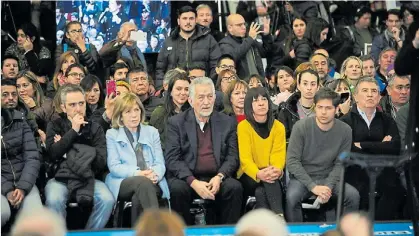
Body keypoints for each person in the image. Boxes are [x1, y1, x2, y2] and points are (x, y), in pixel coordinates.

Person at [165, 77, 243, 225]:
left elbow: (233, 156)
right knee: (176, 189)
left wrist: (220, 177)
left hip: (217, 177)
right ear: (191, 100)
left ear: (214, 98)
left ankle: (225, 234)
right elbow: (172, 159)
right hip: (188, 178)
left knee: (234, 188)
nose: (206, 102)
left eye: (209, 97)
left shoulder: (227, 122)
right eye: (201, 97)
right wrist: (193, 182)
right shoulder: (176, 123)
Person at [45, 84, 114, 229]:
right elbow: (52, 155)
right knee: (53, 199)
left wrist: (66, 152)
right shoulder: (54, 125)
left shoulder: (95, 127)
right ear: (63, 108)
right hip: (60, 177)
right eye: (72, 104)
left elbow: (100, 161)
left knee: (107, 199)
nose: (78, 108)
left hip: (88, 178)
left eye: (81, 103)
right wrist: (74, 131)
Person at [286, 87, 360, 222]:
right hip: (303, 178)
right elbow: (292, 161)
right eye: (320, 107)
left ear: (337, 109)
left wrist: (327, 187)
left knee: (353, 196)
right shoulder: (301, 127)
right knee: (292, 197)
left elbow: (341, 163)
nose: (323, 112)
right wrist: (313, 186)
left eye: (328, 108)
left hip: (329, 177)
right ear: (315, 107)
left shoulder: (345, 130)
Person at [340, 77, 403, 220]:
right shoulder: (345, 121)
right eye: (365, 90)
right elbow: (348, 149)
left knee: (396, 190)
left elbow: (394, 147)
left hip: (383, 168)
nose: (370, 94)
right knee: (359, 192)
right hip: (355, 169)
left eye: (374, 91)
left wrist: (362, 145)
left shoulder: (387, 120)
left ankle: (379, 228)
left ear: (379, 96)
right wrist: (381, 145)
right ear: (355, 96)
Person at [105, 92, 170, 225]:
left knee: (138, 199)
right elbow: (114, 167)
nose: (134, 115)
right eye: (128, 111)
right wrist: (139, 173)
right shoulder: (112, 134)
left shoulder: (152, 131)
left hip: (152, 180)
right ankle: (156, 230)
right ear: (120, 116)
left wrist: (155, 175)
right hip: (123, 181)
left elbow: (160, 162)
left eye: (136, 110)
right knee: (143, 183)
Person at [237, 87, 286, 215]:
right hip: (249, 175)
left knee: (262, 191)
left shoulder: (279, 127)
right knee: (269, 182)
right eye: (256, 100)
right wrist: (259, 173)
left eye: (264, 99)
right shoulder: (243, 127)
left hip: (271, 174)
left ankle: (266, 225)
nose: (261, 103)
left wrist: (275, 170)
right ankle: (279, 218)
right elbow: (245, 160)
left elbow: (278, 155)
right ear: (249, 105)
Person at [1, 79, 42, 227]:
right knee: (2, 213)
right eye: (5, 94)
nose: (10, 98)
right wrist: (6, 189)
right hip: (1, 185)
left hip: (24, 182)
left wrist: (23, 188)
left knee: (36, 217)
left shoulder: (22, 121)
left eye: (14, 94)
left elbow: (32, 157)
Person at [156, 6, 221, 91]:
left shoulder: (209, 40)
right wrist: (161, 88)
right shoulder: (169, 41)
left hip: (201, 88)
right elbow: (160, 69)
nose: (188, 22)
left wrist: (210, 85)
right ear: (178, 21)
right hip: (175, 90)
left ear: (196, 20)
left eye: (191, 18)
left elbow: (216, 66)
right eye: (184, 18)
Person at [219, 13, 272, 79]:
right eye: (239, 25)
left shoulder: (248, 39)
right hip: (241, 85)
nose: (244, 27)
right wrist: (250, 39)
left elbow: (265, 52)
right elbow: (232, 57)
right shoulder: (225, 43)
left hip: (258, 82)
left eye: (244, 24)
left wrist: (266, 36)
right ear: (230, 28)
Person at [149, 74, 191, 149]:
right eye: (179, 89)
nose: (183, 93)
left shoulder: (192, 113)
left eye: (186, 89)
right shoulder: (160, 113)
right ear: (171, 91)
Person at [277, 69, 320, 139]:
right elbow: (282, 138)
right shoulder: (286, 109)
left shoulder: (324, 108)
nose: (309, 88)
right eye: (305, 84)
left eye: (313, 84)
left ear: (318, 87)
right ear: (299, 86)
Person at [16, 70, 57, 143]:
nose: (21, 90)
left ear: (34, 87)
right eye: (18, 86)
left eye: (25, 85)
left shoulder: (48, 103)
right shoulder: (15, 106)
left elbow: (50, 126)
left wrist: (33, 108)